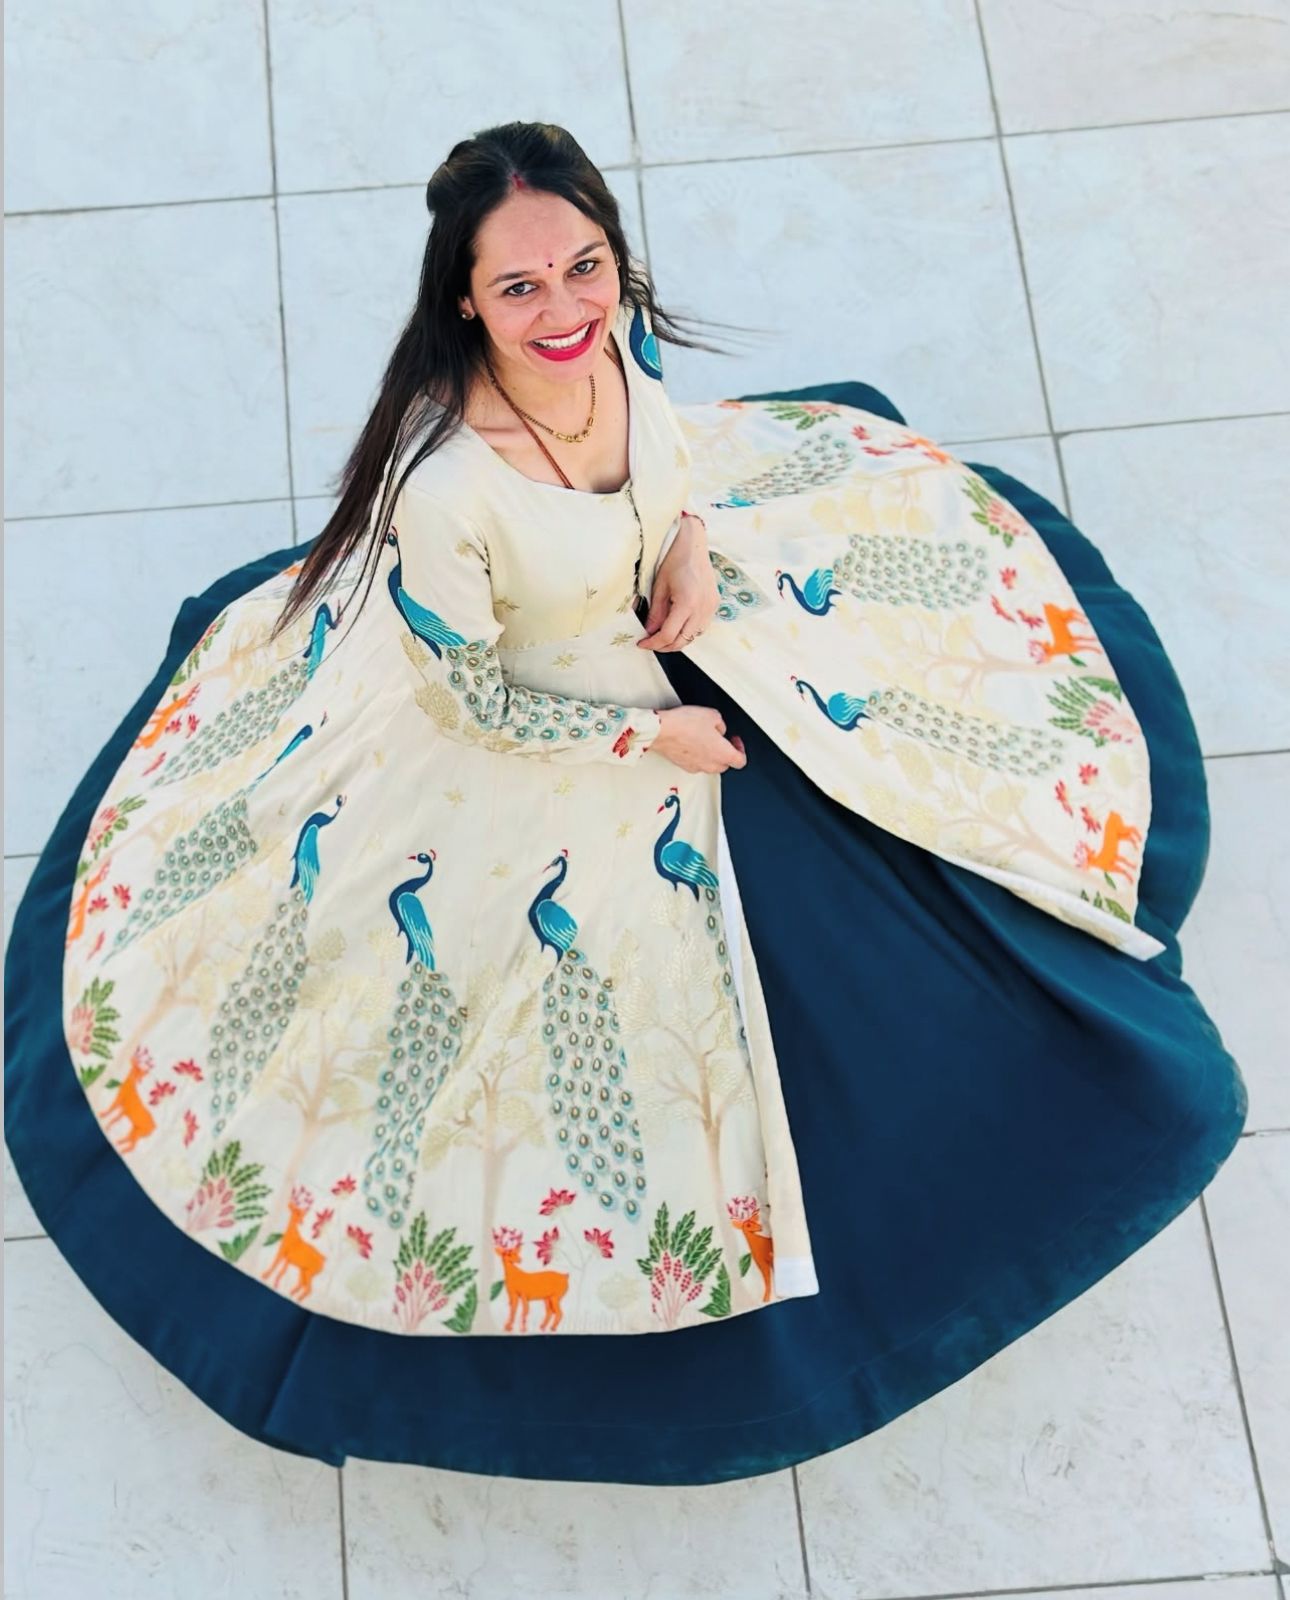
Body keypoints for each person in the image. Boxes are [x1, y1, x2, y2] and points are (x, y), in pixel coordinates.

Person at [3, 120, 1246, 1486]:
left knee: (893, 853)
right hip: (526, 726)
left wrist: (692, 546)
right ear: (462, 300)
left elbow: (672, 464)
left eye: (583, 266)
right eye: (519, 286)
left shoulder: (614, 345)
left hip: (679, 637)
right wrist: (644, 740)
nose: (563, 310)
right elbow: (462, 702)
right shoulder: (444, 486)